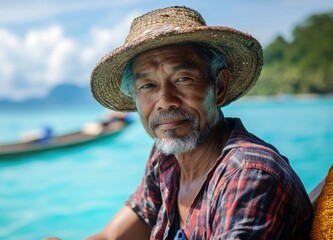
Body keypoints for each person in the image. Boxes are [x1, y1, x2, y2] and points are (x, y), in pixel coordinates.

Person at [47, 6, 313, 240]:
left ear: (218, 87)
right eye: (148, 85)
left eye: (183, 79)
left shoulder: (249, 176)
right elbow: (114, 235)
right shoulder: (166, 157)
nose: (165, 101)